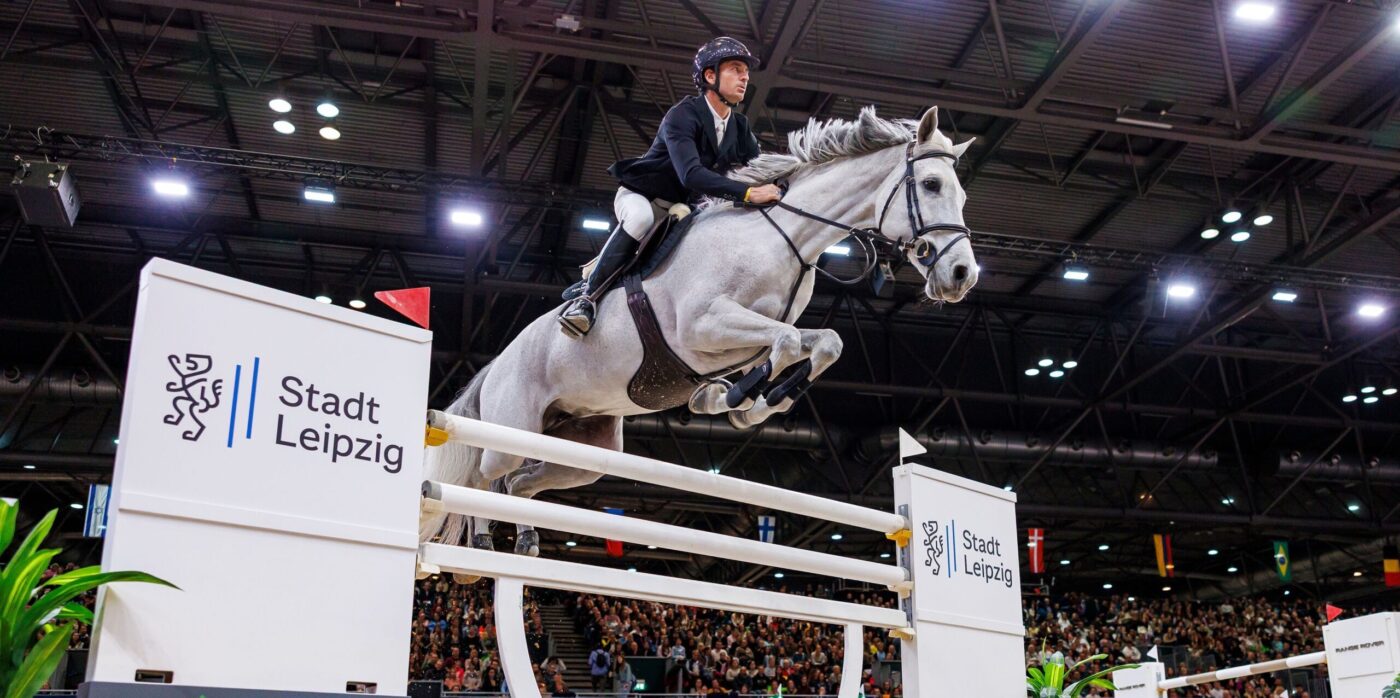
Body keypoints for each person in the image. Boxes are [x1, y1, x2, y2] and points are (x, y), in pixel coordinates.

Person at [557, 36, 782, 338]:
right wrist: (747, 193)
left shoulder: (739, 127)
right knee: (640, 220)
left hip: (681, 208)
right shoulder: (682, 115)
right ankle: (587, 299)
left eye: (746, 72)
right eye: (736, 69)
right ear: (710, 76)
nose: (745, 77)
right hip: (642, 195)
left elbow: (760, 167)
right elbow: (691, 174)